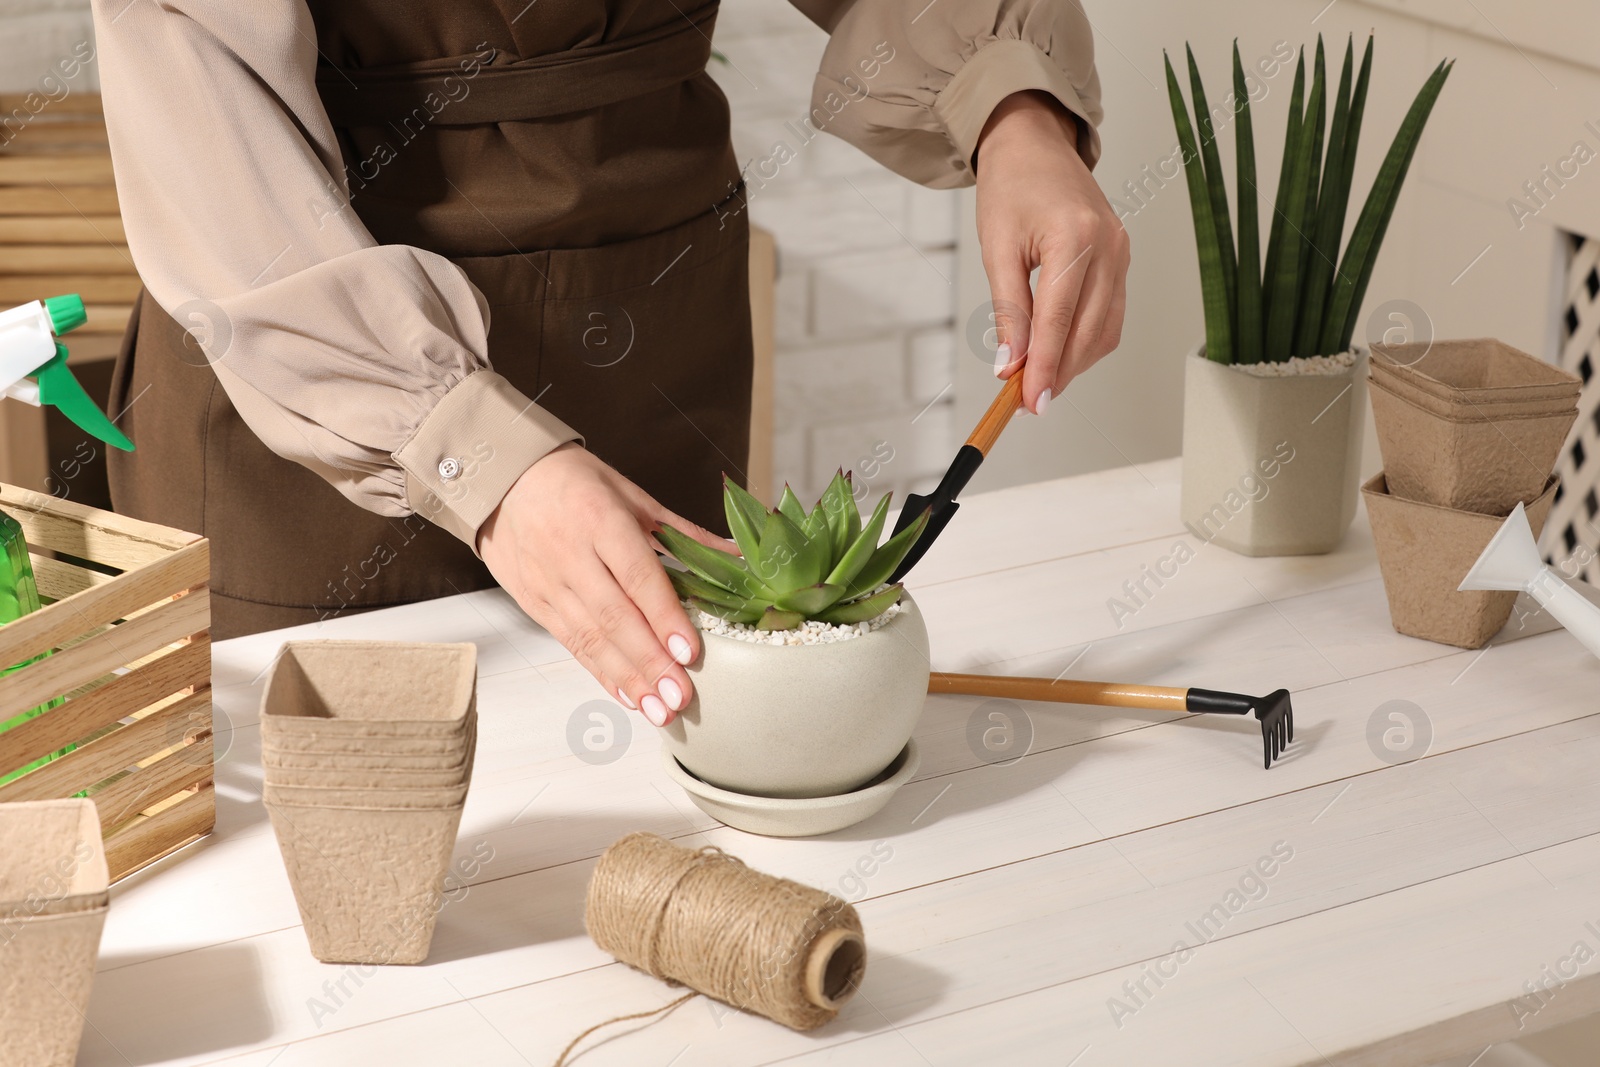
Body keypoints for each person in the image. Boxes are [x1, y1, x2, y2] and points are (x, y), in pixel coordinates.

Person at [91, 0, 1128, 728]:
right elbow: (192, 80)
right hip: (308, 391)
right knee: (336, 887)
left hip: (654, 328)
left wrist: (1013, 110)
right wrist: (464, 449)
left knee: (663, 821)